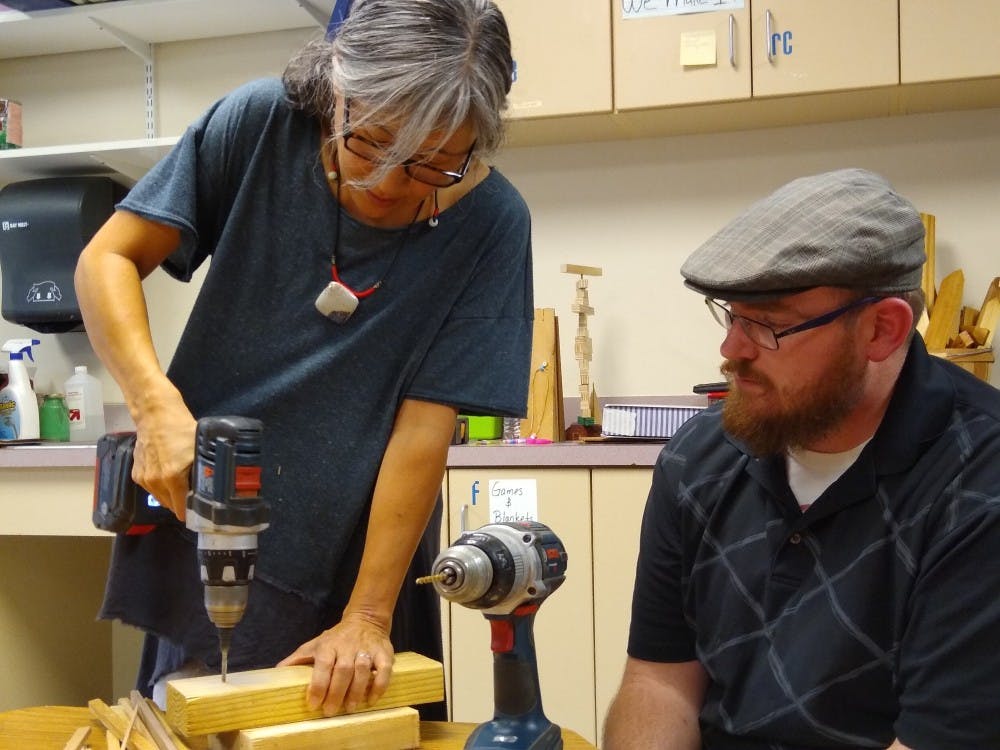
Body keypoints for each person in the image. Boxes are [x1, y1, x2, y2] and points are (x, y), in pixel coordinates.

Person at [74, 0, 533, 717]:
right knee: (185, 718)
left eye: (432, 165)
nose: (386, 183)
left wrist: (369, 617)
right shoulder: (262, 123)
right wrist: (153, 404)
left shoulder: (493, 224)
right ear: (335, 87)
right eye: (369, 142)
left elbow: (423, 429)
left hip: (361, 555)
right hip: (211, 508)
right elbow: (108, 258)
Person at [603, 168, 1000, 749]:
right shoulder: (699, 459)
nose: (731, 351)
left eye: (769, 326)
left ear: (882, 329)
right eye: (731, 314)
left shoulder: (979, 486)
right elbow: (660, 683)